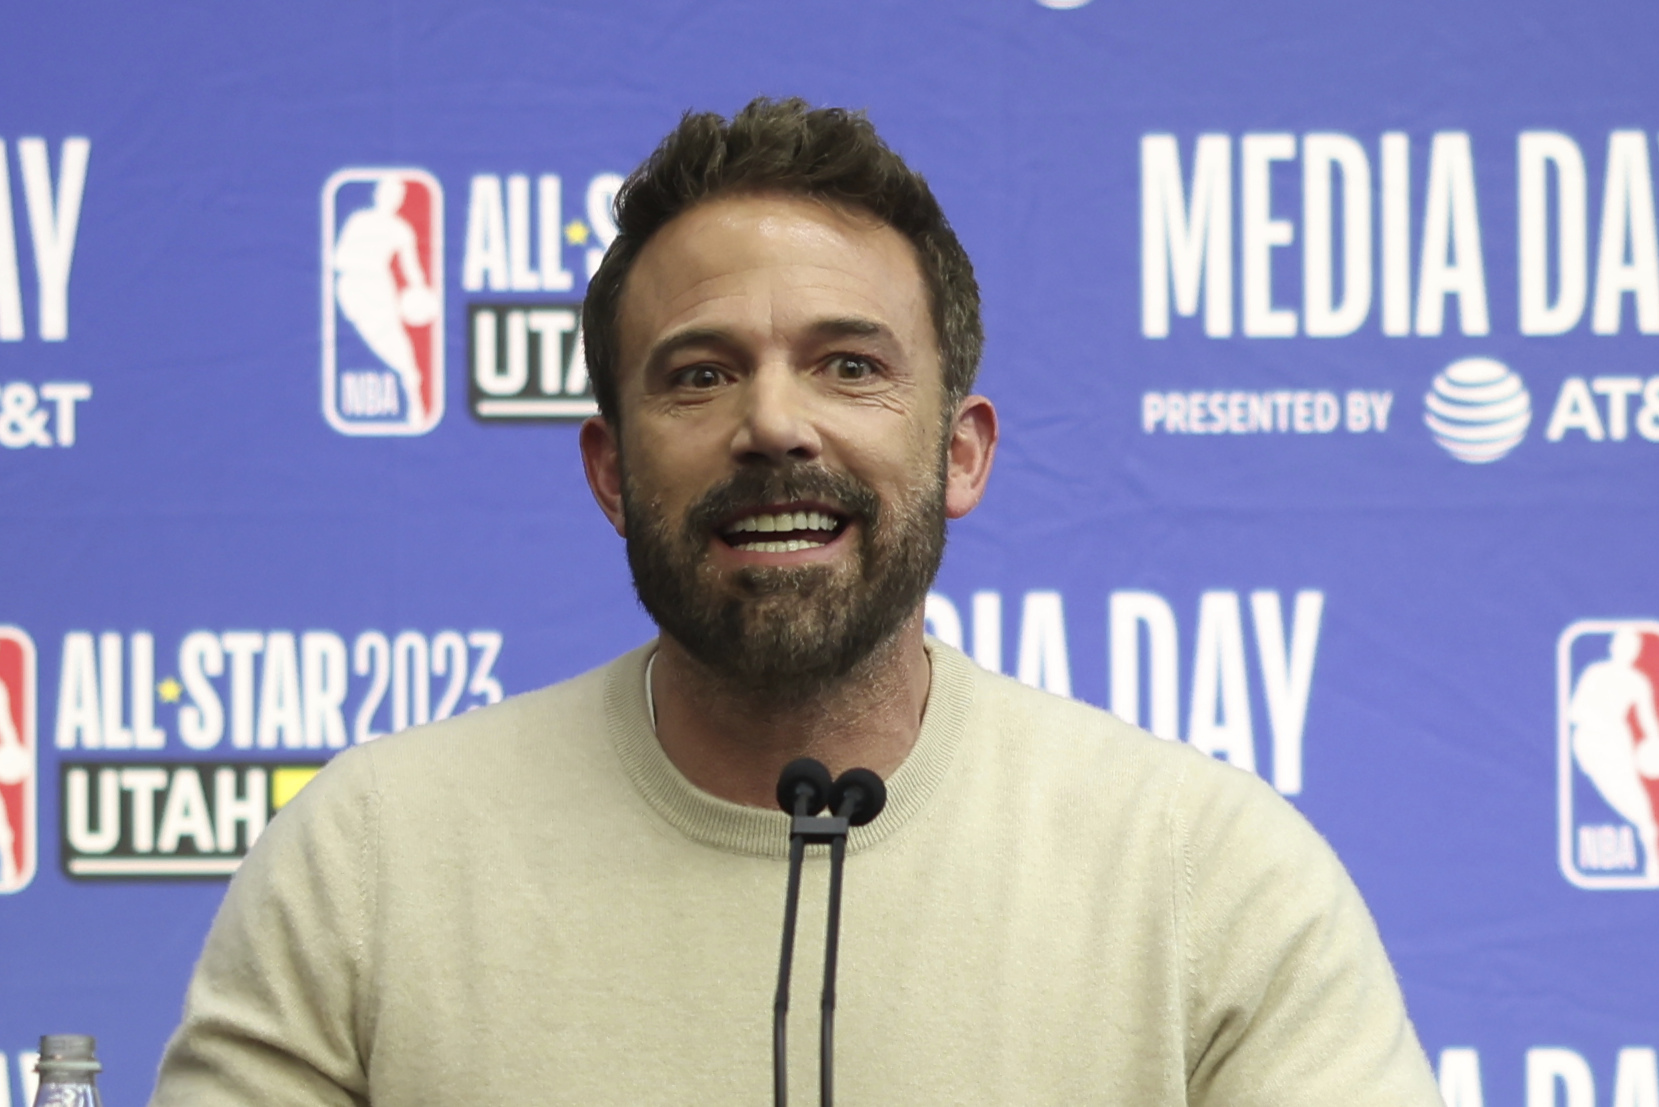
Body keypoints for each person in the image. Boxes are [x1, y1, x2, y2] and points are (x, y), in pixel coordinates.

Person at [151, 98, 1441, 1106]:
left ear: (962, 451)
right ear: (610, 469)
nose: (774, 424)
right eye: (701, 375)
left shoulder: (1210, 878)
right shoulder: (368, 863)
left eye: (849, 366)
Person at [333, 176, 438, 428]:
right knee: (363, 339)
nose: (391, 199)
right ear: (378, 194)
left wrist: (420, 292)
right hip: (351, 287)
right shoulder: (359, 220)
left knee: (398, 344)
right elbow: (338, 258)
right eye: (387, 193)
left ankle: (414, 402)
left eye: (397, 195)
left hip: (380, 287)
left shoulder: (401, 229)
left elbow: (412, 268)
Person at [1570, 628, 1659, 879]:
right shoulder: (1595, 673)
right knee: (1629, 802)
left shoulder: (1638, 682)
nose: (1626, 651)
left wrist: (1652, 747)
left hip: (1620, 744)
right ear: (1613, 647)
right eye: (1622, 645)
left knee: (1642, 808)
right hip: (1593, 742)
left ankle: (1654, 862)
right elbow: (1576, 713)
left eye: (1632, 647)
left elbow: (1650, 724)